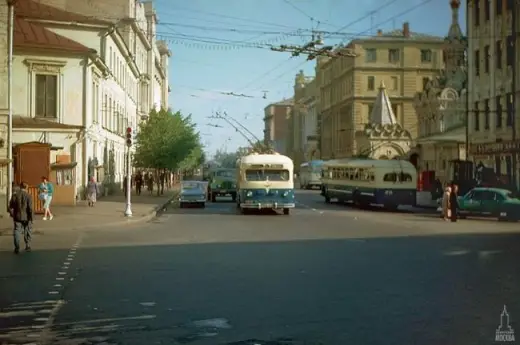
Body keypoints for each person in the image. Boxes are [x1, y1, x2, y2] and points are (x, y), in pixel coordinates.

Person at [9, 182, 34, 254]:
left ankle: (17, 247)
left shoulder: (15, 195)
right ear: (26, 188)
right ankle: (27, 245)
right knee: (27, 230)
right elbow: (30, 208)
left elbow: (10, 206)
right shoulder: (28, 196)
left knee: (17, 231)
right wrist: (31, 218)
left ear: (20, 187)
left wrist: (12, 214)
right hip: (27, 216)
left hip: (17, 216)